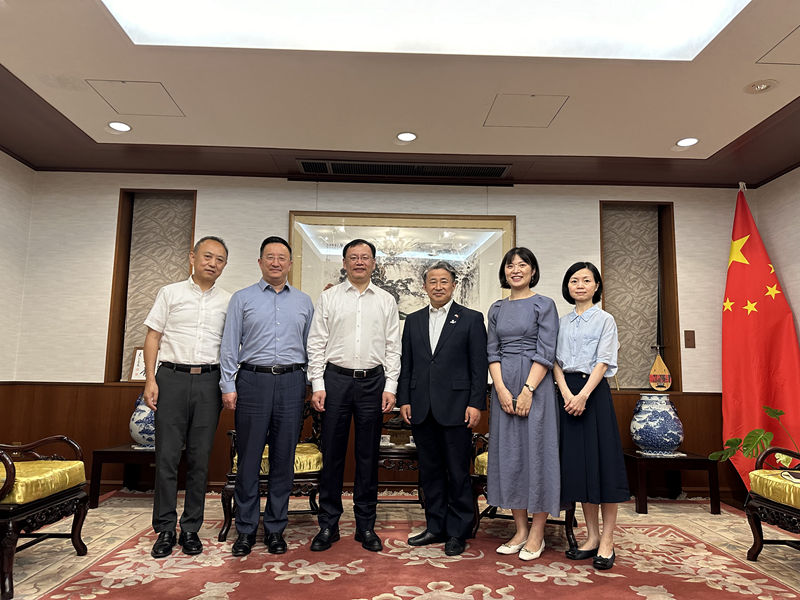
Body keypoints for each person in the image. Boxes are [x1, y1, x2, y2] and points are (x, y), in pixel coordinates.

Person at [219, 236, 314, 556]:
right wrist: (228, 385)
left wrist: (310, 383)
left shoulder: (304, 302)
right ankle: (245, 529)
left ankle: (275, 528)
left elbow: (311, 347)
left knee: (283, 458)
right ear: (260, 262)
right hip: (252, 381)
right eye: (270, 257)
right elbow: (229, 345)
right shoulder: (242, 299)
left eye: (282, 257)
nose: (276, 262)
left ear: (290, 264)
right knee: (249, 458)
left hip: (292, 382)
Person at [307, 238, 401, 553]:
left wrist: (390, 386)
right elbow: (316, 342)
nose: (359, 262)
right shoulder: (329, 298)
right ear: (345, 262)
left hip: (373, 383)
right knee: (332, 455)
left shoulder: (386, 300)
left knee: (367, 456)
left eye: (365, 257)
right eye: (353, 257)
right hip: (335, 381)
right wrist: (317, 384)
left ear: (374, 263)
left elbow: (393, 346)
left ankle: (366, 526)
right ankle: (328, 525)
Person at [143, 236, 231, 559]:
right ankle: (165, 528)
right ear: (192, 257)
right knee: (167, 456)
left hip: (210, 381)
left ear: (224, 266)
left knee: (199, 457)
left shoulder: (229, 301)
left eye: (220, 259)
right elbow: (153, 336)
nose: (213, 263)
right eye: (207, 256)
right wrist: (150, 379)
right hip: (171, 378)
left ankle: (191, 527)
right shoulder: (170, 293)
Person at [397, 261, 488, 556]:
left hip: (458, 407)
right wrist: (404, 399)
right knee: (431, 471)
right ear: (425, 287)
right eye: (433, 282)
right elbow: (407, 364)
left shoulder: (471, 319)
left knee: (458, 472)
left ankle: (458, 531)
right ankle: (435, 526)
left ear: (453, 285)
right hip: (421, 407)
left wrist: (476, 403)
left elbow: (479, 367)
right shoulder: (413, 320)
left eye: (444, 281)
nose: (438, 286)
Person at [553, 261, 629, 571]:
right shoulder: (561, 322)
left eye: (586, 280)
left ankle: (608, 539)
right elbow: (554, 361)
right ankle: (592, 536)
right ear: (567, 286)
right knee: (581, 468)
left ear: (596, 286)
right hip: (566, 394)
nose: (580, 285)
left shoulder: (605, 319)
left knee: (603, 466)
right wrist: (566, 393)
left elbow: (603, 361)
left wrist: (583, 395)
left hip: (594, 394)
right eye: (574, 280)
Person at [487, 247, 560, 560]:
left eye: (522, 264)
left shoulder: (544, 304)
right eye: (510, 265)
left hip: (536, 385)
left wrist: (528, 389)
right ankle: (519, 529)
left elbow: (546, 351)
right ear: (504, 271)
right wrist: (501, 389)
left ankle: (538, 532)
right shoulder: (496, 308)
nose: (515, 270)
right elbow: (492, 352)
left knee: (537, 453)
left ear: (533, 270)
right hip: (503, 385)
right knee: (510, 455)